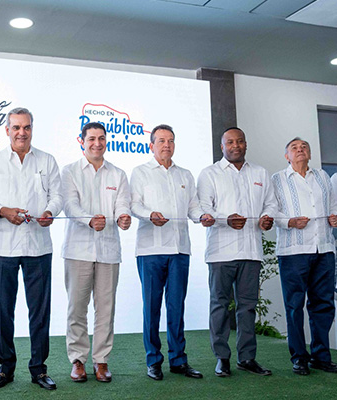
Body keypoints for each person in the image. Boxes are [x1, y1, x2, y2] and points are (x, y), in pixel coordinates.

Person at [0, 107, 62, 391]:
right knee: (4, 310)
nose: (21, 132)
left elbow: (57, 196)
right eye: (16, 127)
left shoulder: (47, 160)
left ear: (32, 129)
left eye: (26, 127)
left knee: (40, 311)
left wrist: (50, 212)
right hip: (2, 247)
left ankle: (39, 369)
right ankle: (5, 368)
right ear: (7, 130)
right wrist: (3, 211)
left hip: (39, 246)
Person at [130, 124, 213, 381]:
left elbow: (193, 207)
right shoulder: (140, 172)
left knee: (177, 307)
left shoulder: (185, 175)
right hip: (150, 250)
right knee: (152, 308)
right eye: (161, 141)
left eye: (171, 141)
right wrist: (149, 215)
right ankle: (153, 361)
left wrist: (202, 216)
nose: (167, 145)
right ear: (151, 145)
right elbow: (134, 205)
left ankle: (178, 360)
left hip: (179, 250)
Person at [197, 127, 277, 377]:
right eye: (230, 142)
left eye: (239, 141)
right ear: (222, 146)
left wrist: (267, 217)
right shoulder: (209, 174)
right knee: (219, 305)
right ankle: (222, 358)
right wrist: (225, 219)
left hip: (251, 251)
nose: (235, 146)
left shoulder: (260, 173)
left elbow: (271, 203)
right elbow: (203, 208)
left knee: (248, 307)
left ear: (245, 144)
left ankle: (247, 357)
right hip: (221, 252)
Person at [60, 122, 131, 383]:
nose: (97, 143)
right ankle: (78, 360)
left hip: (109, 251)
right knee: (77, 308)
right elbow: (69, 205)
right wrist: (89, 220)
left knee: (106, 309)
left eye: (101, 138)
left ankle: (101, 361)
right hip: (78, 249)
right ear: (82, 141)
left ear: (106, 141)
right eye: (91, 139)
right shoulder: (70, 171)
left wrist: (123, 217)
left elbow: (123, 203)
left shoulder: (118, 174)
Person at [271, 137, 337, 375]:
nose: (300, 150)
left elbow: (333, 204)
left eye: (304, 147)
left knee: (324, 304)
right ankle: (299, 357)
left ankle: (321, 356)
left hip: (324, 248)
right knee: (294, 306)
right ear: (286, 156)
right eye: (294, 148)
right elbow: (271, 211)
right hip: (293, 251)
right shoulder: (277, 179)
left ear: (309, 153)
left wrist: (334, 217)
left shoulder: (322, 176)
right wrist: (290, 222)